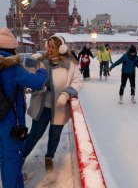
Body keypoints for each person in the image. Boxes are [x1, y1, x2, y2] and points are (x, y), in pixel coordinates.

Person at [22, 35, 82, 172]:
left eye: (53, 47)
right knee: (35, 134)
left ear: (61, 49)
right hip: (42, 107)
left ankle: (49, 157)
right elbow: (26, 66)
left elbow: (77, 81)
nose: (49, 49)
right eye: (48, 46)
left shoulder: (70, 64)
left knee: (55, 136)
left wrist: (67, 93)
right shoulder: (42, 60)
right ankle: (22, 156)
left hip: (59, 108)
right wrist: (34, 57)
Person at [0, 27, 47, 188]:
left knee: (4, 157)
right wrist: (42, 70)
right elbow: (36, 82)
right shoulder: (11, 67)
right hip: (11, 121)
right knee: (13, 159)